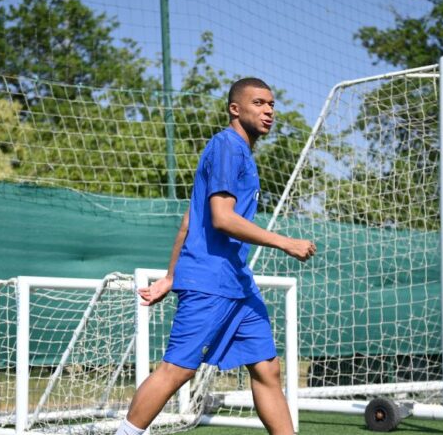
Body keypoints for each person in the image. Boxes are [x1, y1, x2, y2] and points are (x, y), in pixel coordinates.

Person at [116, 78, 316, 435]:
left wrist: (171, 276)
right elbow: (222, 219)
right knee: (177, 369)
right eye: (258, 103)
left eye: (271, 104)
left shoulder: (240, 153)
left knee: (267, 368)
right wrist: (285, 242)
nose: (268, 110)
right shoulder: (228, 147)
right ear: (234, 109)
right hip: (212, 281)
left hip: (237, 282)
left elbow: (190, 221)